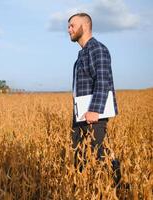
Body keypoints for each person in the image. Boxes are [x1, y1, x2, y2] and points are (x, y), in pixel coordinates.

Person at [67, 13, 121, 186]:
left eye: (72, 26)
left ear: (85, 25)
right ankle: (86, 190)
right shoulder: (82, 53)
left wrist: (95, 110)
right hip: (81, 114)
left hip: (93, 115)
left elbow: (103, 80)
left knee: (100, 155)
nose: (69, 30)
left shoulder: (97, 49)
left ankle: (120, 187)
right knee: (79, 156)